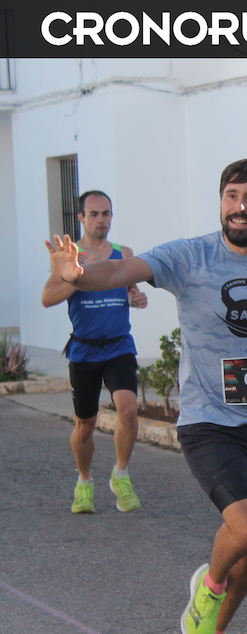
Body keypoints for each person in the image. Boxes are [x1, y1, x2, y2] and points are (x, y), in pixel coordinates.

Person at [46, 159, 247, 634]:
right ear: (221, 201)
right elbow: (119, 271)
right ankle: (208, 589)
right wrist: (77, 276)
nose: (238, 207)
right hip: (206, 420)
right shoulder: (190, 255)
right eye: (231, 195)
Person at [42, 190, 149, 514]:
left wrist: (136, 297)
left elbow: (131, 288)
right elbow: (47, 298)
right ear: (81, 218)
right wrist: (75, 276)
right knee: (85, 425)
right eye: (94, 214)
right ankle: (84, 482)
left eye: (106, 213)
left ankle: (121, 476)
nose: (101, 220)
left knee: (128, 411)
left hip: (119, 346)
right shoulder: (70, 255)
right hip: (84, 351)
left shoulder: (123, 253)